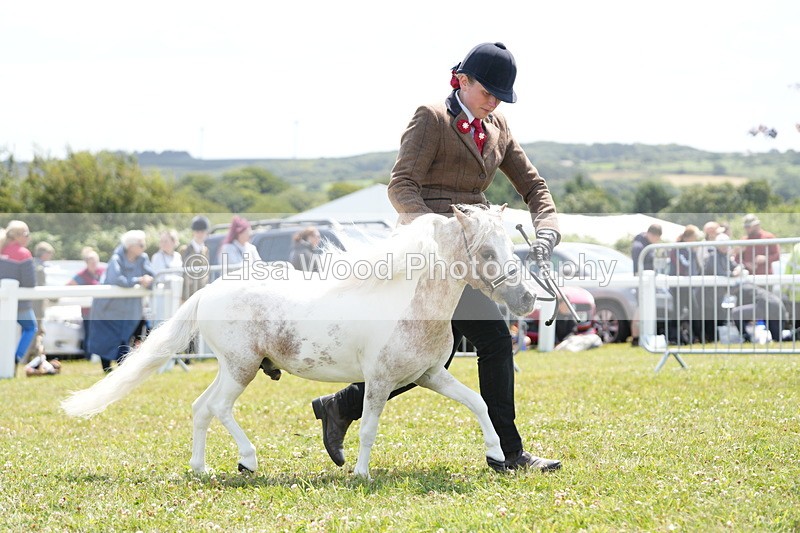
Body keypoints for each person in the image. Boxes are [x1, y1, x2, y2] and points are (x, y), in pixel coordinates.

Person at [310, 42, 562, 473]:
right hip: (427, 259)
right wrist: (435, 236)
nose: (495, 102)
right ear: (462, 81)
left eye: (501, 96)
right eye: (487, 92)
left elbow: (534, 188)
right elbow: (401, 186)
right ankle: (509, 454)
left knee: (456, 352)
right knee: (471, 346)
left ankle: (342, 404)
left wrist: (547, 231)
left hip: (473, 256)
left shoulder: (498, 124)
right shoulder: (431, 118)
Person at [87, 230, 154, 372]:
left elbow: (152, 276)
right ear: (130, 246)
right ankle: (107, 370)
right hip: (108, 308)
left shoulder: (143, 258)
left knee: (124, 339)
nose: (144, 247)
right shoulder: (116, 259)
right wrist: (139, 280)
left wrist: (149, 281)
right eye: (141, 244)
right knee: (106, 339)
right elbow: (118, 280)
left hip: (130, 310)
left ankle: (121, 372)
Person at [0, 220, 38, 367]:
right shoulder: (24, 254)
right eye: (27, 234)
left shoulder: (1, 249)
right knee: (30, 328)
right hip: (20, 304)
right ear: (18, 236)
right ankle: (15, 359)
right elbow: (30, 283)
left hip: (2, 300)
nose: (28, 238)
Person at [67, 247, 105, 354]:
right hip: (88, 310)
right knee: (89, 333)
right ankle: (89, 355)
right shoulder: (82, 275)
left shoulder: (102, 272)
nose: (93, 264)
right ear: (87, 263)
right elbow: (68, 286)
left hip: (102, 309)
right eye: (91, 262)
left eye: (95, 262)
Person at [24, 241, 55, 362]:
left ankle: (35, 357)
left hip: (30, 305)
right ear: (45, 253)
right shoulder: (39, 267)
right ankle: (29, 358)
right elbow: (41, 288)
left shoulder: (32, 264)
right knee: (37, 331)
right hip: (36, 306)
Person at [179, 216, 210, 303]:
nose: (200, 234)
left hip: (201, 290)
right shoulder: (184, 249)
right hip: (187, 292)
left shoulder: (206, 249)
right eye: (197, 231)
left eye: (202, 232)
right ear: (193, 232)